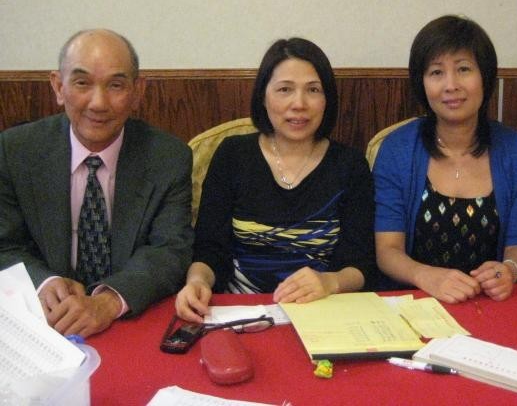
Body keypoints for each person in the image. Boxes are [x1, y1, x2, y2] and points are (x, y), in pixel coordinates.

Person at [0, 29, 193, 337]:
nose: (98, 103)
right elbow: (5, 244)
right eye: (82, 83)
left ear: (138, 91)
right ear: (58, 86)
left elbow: (170, 250)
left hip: (129, 322)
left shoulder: (167, 157)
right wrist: (44, 283)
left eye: (115, 85)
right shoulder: (15, 151)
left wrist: (108, 301)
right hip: (44, 324)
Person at [175, 38, 375, 323]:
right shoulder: (233, 155)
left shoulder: (350, 164)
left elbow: (361, 263)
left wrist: (330, 282)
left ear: (327, 99)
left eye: (313, 90)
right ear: (263, 96)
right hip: (238, 310)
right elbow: (209, 248)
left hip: (321, 312)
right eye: (285, 89)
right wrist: (197, 282)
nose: (299, 104)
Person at [372, 15, 517, 304]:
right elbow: (387, 250)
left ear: (485, 77)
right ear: (422, 83)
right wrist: (426, 277)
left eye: (463, 69)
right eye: (436, 72)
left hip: (490, 303)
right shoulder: (398, 149)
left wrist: (509, 271)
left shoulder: (516, 150)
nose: (451, 85)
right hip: (416, 302)